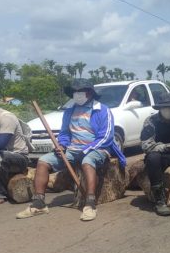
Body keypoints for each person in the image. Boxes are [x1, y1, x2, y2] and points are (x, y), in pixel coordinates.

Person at [16, 79, 126, 221]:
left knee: (87, 161)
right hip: (72, 149)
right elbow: (64, 134)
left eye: (80, 92)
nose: (77, 95)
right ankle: (39, 203)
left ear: (89, 93)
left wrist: (86, 149)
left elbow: (106, 137)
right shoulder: (70, 111)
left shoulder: (102, 110)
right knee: (43, 161)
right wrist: (62, 145)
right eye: (74, 93)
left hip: (98, 148)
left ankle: (90, 203)